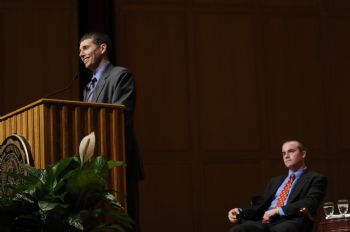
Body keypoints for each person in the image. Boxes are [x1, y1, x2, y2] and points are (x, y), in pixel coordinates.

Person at [79, 32, 144, 232]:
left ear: (102, 48)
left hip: (117, 159)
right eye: (79, 50)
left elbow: (120, 116)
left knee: (122, 223)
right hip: (93, 163)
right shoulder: (87, 87)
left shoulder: (120, 75)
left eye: (85, 48)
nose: (81, 54)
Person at [227, 140, 327, 232]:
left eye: (291, 151)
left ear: (303, 154)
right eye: (284, 153)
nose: (286, 156)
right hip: (266, 221)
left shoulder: (316, 178)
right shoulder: (275, 181)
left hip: (292, 221)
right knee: (238, 230)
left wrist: (278, 211)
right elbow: (260, 206)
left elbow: (310, 202)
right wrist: (240, 211)